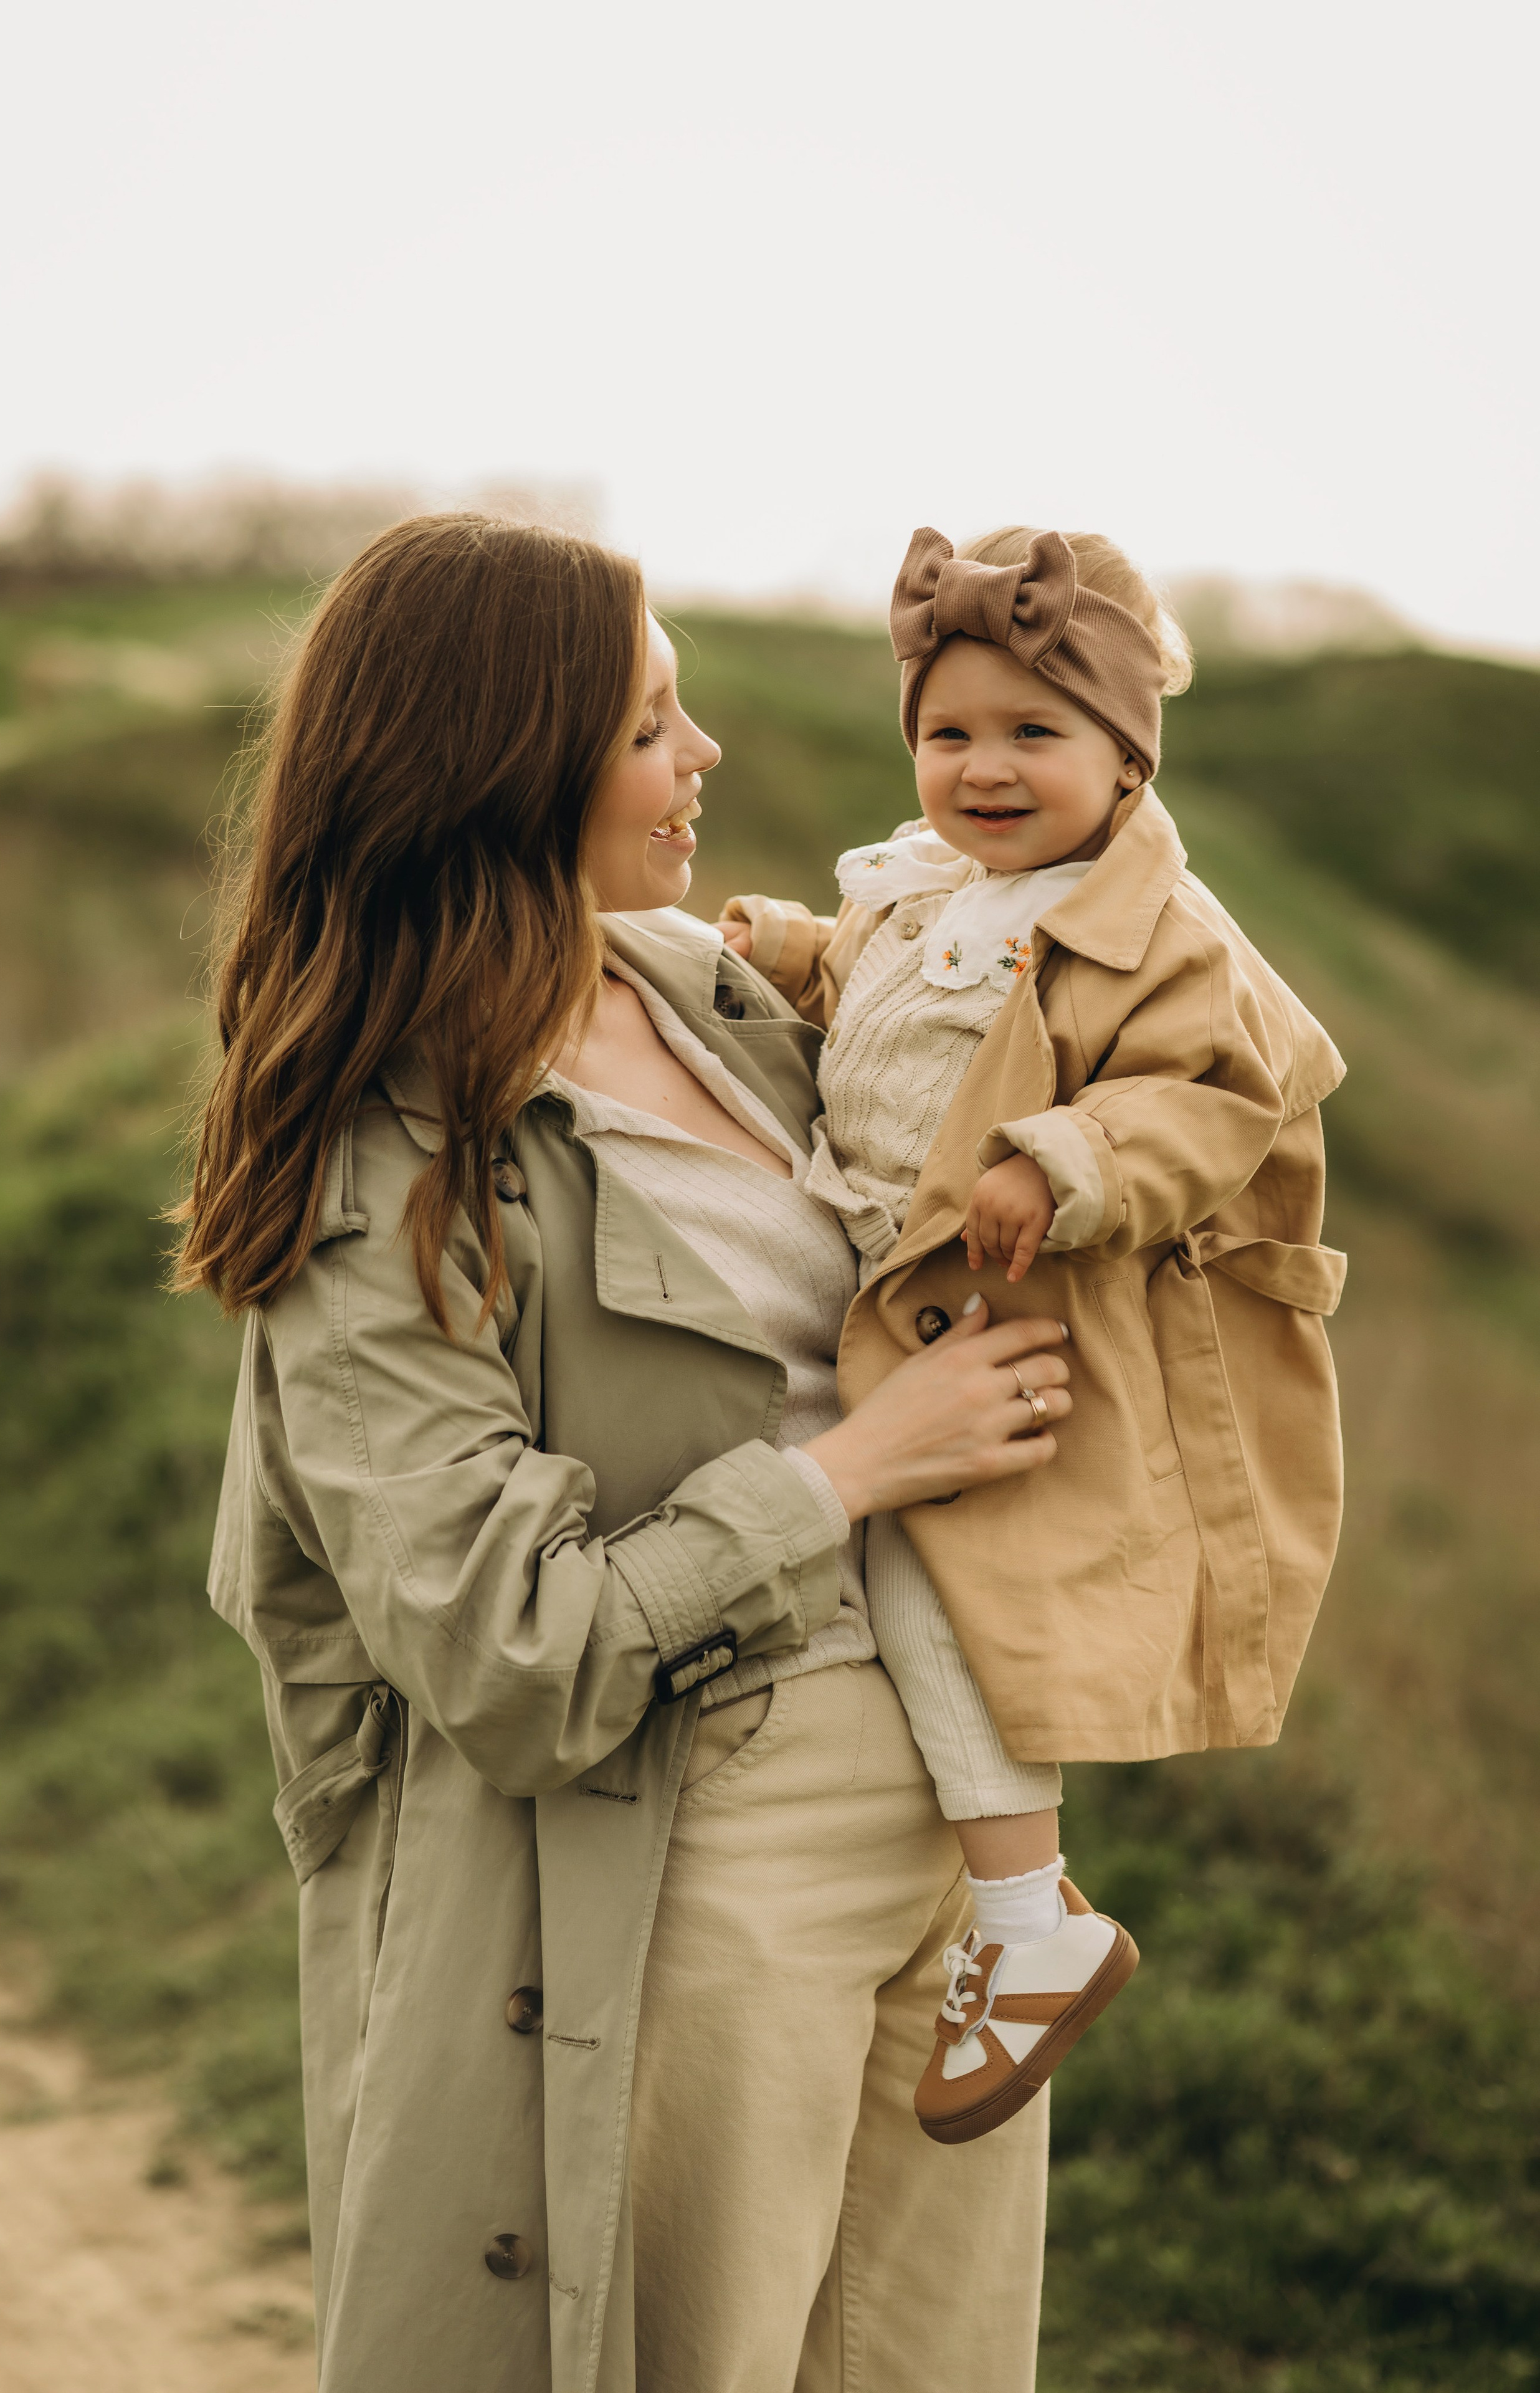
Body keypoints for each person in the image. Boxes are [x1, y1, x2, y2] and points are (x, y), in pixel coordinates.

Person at [174, 512, 1077, 2393]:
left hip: (957, 1827)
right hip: (709, 1833)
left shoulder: (708, 990)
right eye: (654, 725)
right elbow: (496, 1642)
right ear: (508, 773)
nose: (707, 758)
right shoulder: (388, 1155)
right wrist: (858, 1470)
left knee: (935, 2365)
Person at [721, 523, 1348, 2146]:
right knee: (885, 1570)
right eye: (950, 733)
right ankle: (1006, 1902)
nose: (984, 770)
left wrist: (1060, 1162)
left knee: (945, 1592)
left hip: (1010, 1319)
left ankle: (1028, 1915)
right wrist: (796, 955)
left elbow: (1202, 1103)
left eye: (1034, 734)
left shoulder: (1163, 936)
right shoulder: (934, 887)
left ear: (1127, 753)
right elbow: (881, 995)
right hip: (893, 1298)